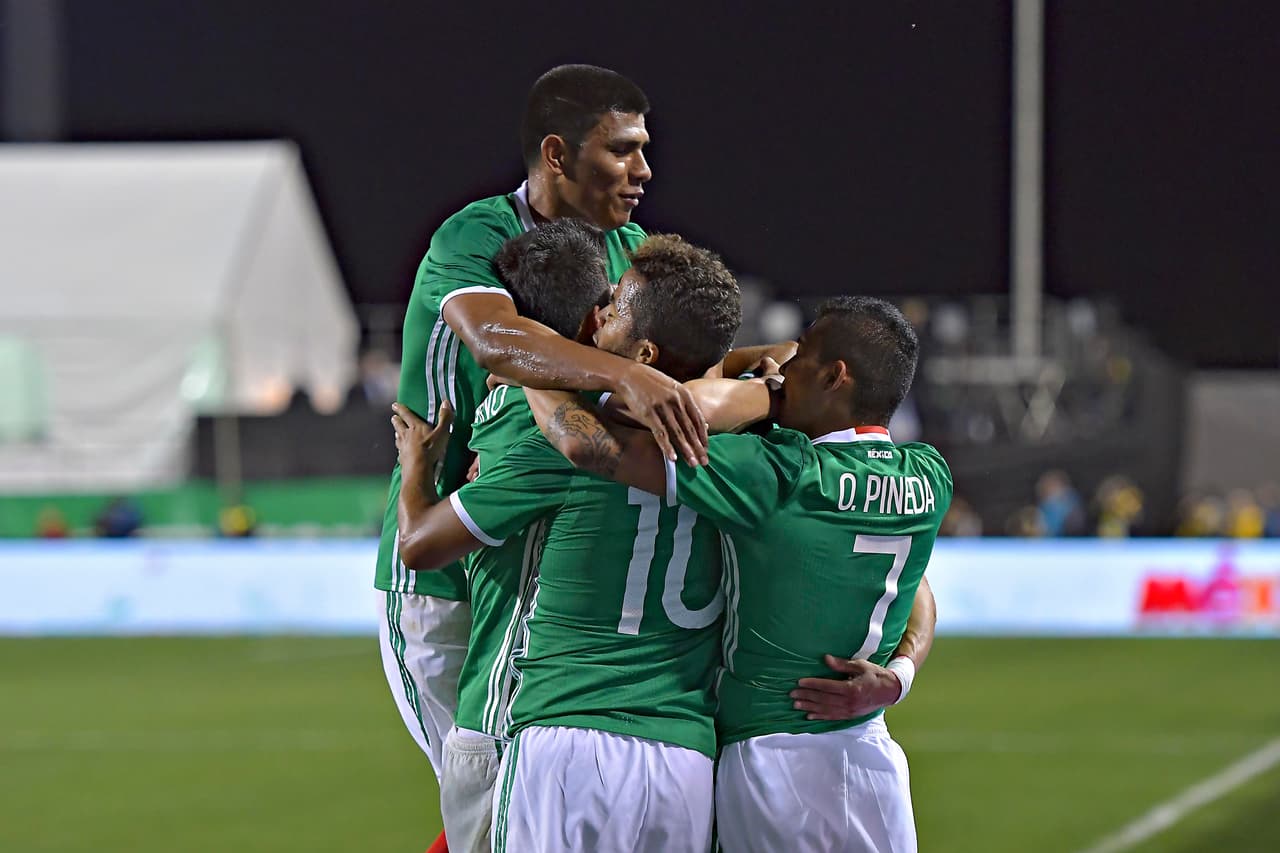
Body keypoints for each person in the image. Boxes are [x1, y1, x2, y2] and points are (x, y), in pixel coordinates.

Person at [373, 64, 709, 788]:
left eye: (643, 148)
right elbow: (497, 340)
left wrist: (766, 372)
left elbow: (677, 360)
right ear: (557, 155)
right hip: (450, 557)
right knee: (483, 784)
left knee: (524, 801)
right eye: (621, 149)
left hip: (554, 559)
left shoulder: (630, 249)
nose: (643, 169)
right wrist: (620, 373)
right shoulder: (477, 235)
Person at [525, 296, 952, 852]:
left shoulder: (779, 474)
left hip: (774, 764)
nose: (783, 370)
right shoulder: (928, 477)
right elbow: (916, 585)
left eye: (800, 360)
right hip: (870, 756)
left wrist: (534, 371)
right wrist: (900, 675)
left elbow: (594, 443)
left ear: (834, 377)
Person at [393, 232, 741, 852]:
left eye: (617, 307)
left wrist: (419, 470)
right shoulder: (750, 450)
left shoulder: (551, 436)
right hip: (687, 744)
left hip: (548, 725)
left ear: (644, 351)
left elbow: (419, 546)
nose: (603, 312)